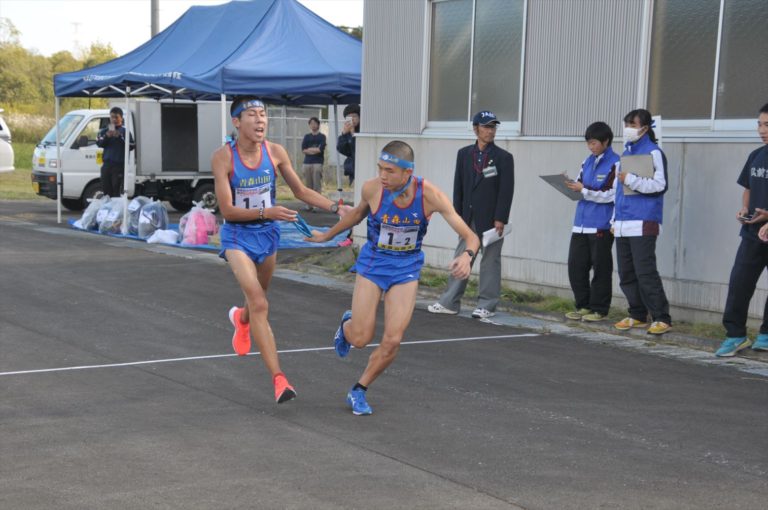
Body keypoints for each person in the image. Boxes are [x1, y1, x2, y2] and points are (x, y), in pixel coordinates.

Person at [306, 140, 480, 415]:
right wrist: (326, 235)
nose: (382, 176)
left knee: (393, 340)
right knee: (361, 339)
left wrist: (467, 256)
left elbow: (470, 235)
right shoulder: (373, 189)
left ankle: (359, 390)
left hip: (406, 268)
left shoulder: (430, 195)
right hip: (374, 264)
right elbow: (355, 216)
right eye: (380, 168)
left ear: (407, 172)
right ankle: (347, 325)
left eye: (389, 170)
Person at [211, 96, 350, 404]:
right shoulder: (223, 158)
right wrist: (267, 212)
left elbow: (300, 191)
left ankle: (241, 320)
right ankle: (279, 380)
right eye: (252, 115)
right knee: (260, 302)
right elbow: (228, 211)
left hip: (268, 235)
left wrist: (336, 207)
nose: (260, 120)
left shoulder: (275, 152)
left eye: (263, 115)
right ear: (236, 122)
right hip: (238, 237)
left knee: (256, 301)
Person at [427, 110, 514, 319]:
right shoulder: (464, 154)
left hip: (492, 219)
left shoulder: (503, 157)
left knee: (490, 261)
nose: (490, 131)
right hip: (468, 216)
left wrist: (501, 217)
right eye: (486, 127)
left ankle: (487, 304)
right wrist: (456, 215)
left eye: (493, 127)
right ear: (476, 129)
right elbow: (459, 186)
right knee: (461, 257)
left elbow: (506, 190)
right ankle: (450, 301)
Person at [611, 108, 672, 335]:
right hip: (622, 223)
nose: (628, 128)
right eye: (626, 123)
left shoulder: (654, 152)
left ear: (645, 128)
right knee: (626, 273)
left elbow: (659, 186)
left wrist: (632, 179)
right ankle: (637, 314)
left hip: (644, 221)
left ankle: (661, 317)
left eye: (632, 124)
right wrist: (613, 219)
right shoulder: (625, 153)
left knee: (645, 271)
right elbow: (618, 192)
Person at [718, 103, 768, 357]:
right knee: (740, 283)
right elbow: (747, 186)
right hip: (751, 232)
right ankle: (735, 335)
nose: (762, 130)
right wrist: (744, 208)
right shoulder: (756, 155)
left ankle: (766, 335)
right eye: (759, 124)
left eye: (767, 125)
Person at [563, 122, 619, 322]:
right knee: (576, 265)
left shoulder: (616, 163)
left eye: (594, 142)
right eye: (588, 143)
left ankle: (599, 309)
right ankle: (583, 305)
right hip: (580, 223)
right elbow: (580, 186)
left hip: (601, 224)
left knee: (601, 268)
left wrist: (584, 191)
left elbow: (612, 195)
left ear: (606, 141)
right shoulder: (586, 162)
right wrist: (569, 186)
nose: (591, 146)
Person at [95, 107, 134, 197]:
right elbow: (99, 144)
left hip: (119, 166)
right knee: (106, 190)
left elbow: (131, 146)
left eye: (116, 117)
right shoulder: (104, 131)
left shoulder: (125, 131)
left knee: (116, 190)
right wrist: (107, 136)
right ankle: (107, 209)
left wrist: (120, 137)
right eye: (112, 117)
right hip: (106, 165)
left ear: (121, 118)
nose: (114, 119)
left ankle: (116, 209)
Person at [301, 116, 327, 211]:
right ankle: (309, 205)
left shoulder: (322, 137)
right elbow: (303, 150)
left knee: (316, 185)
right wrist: (313, 150)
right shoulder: (307, 137)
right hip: (307, 163)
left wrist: (310, 150)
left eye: (315, 123)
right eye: (311, 123)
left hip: (317, 163)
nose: (313, 125)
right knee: (308, 186)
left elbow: (320, 150)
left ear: (318, 125)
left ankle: (317, 205)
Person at [337, 104, 359, 185]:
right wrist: (344, 133)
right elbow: (341, 148)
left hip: (362, 166)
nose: (352, 119)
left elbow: (358, 149)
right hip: (352, 170)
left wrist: (353, 134)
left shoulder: (363, 131)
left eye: (354, 116)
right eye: (349, 117)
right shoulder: (346, 133)